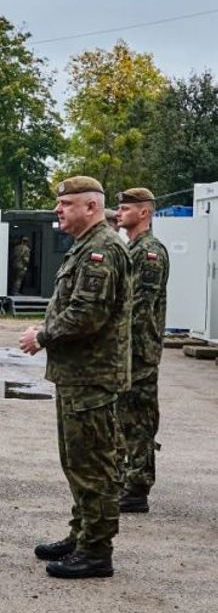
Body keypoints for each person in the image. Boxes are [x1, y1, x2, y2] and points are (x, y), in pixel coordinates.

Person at [21, 176, 131, 580]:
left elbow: (88, 315)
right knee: (76, 461)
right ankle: (82, 534)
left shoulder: (103, 249)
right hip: (77, 374)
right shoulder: (86, 247)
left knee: (94, 465)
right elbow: (75, 305)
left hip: (93, 377)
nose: (58, 210)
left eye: (66, 203)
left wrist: (42, 336)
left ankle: (97, 552)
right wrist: (48, 326)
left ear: (91, 207)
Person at [113, 187, 169, 514]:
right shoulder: (131, 248)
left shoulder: (150, 252)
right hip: (127, 350)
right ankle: (126, 480)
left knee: (138, 419)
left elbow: (139, 309)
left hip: (139, 351)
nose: (119, 213)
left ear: (144, 212)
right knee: (124, 417)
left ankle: (137, 488)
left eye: (126, 208)